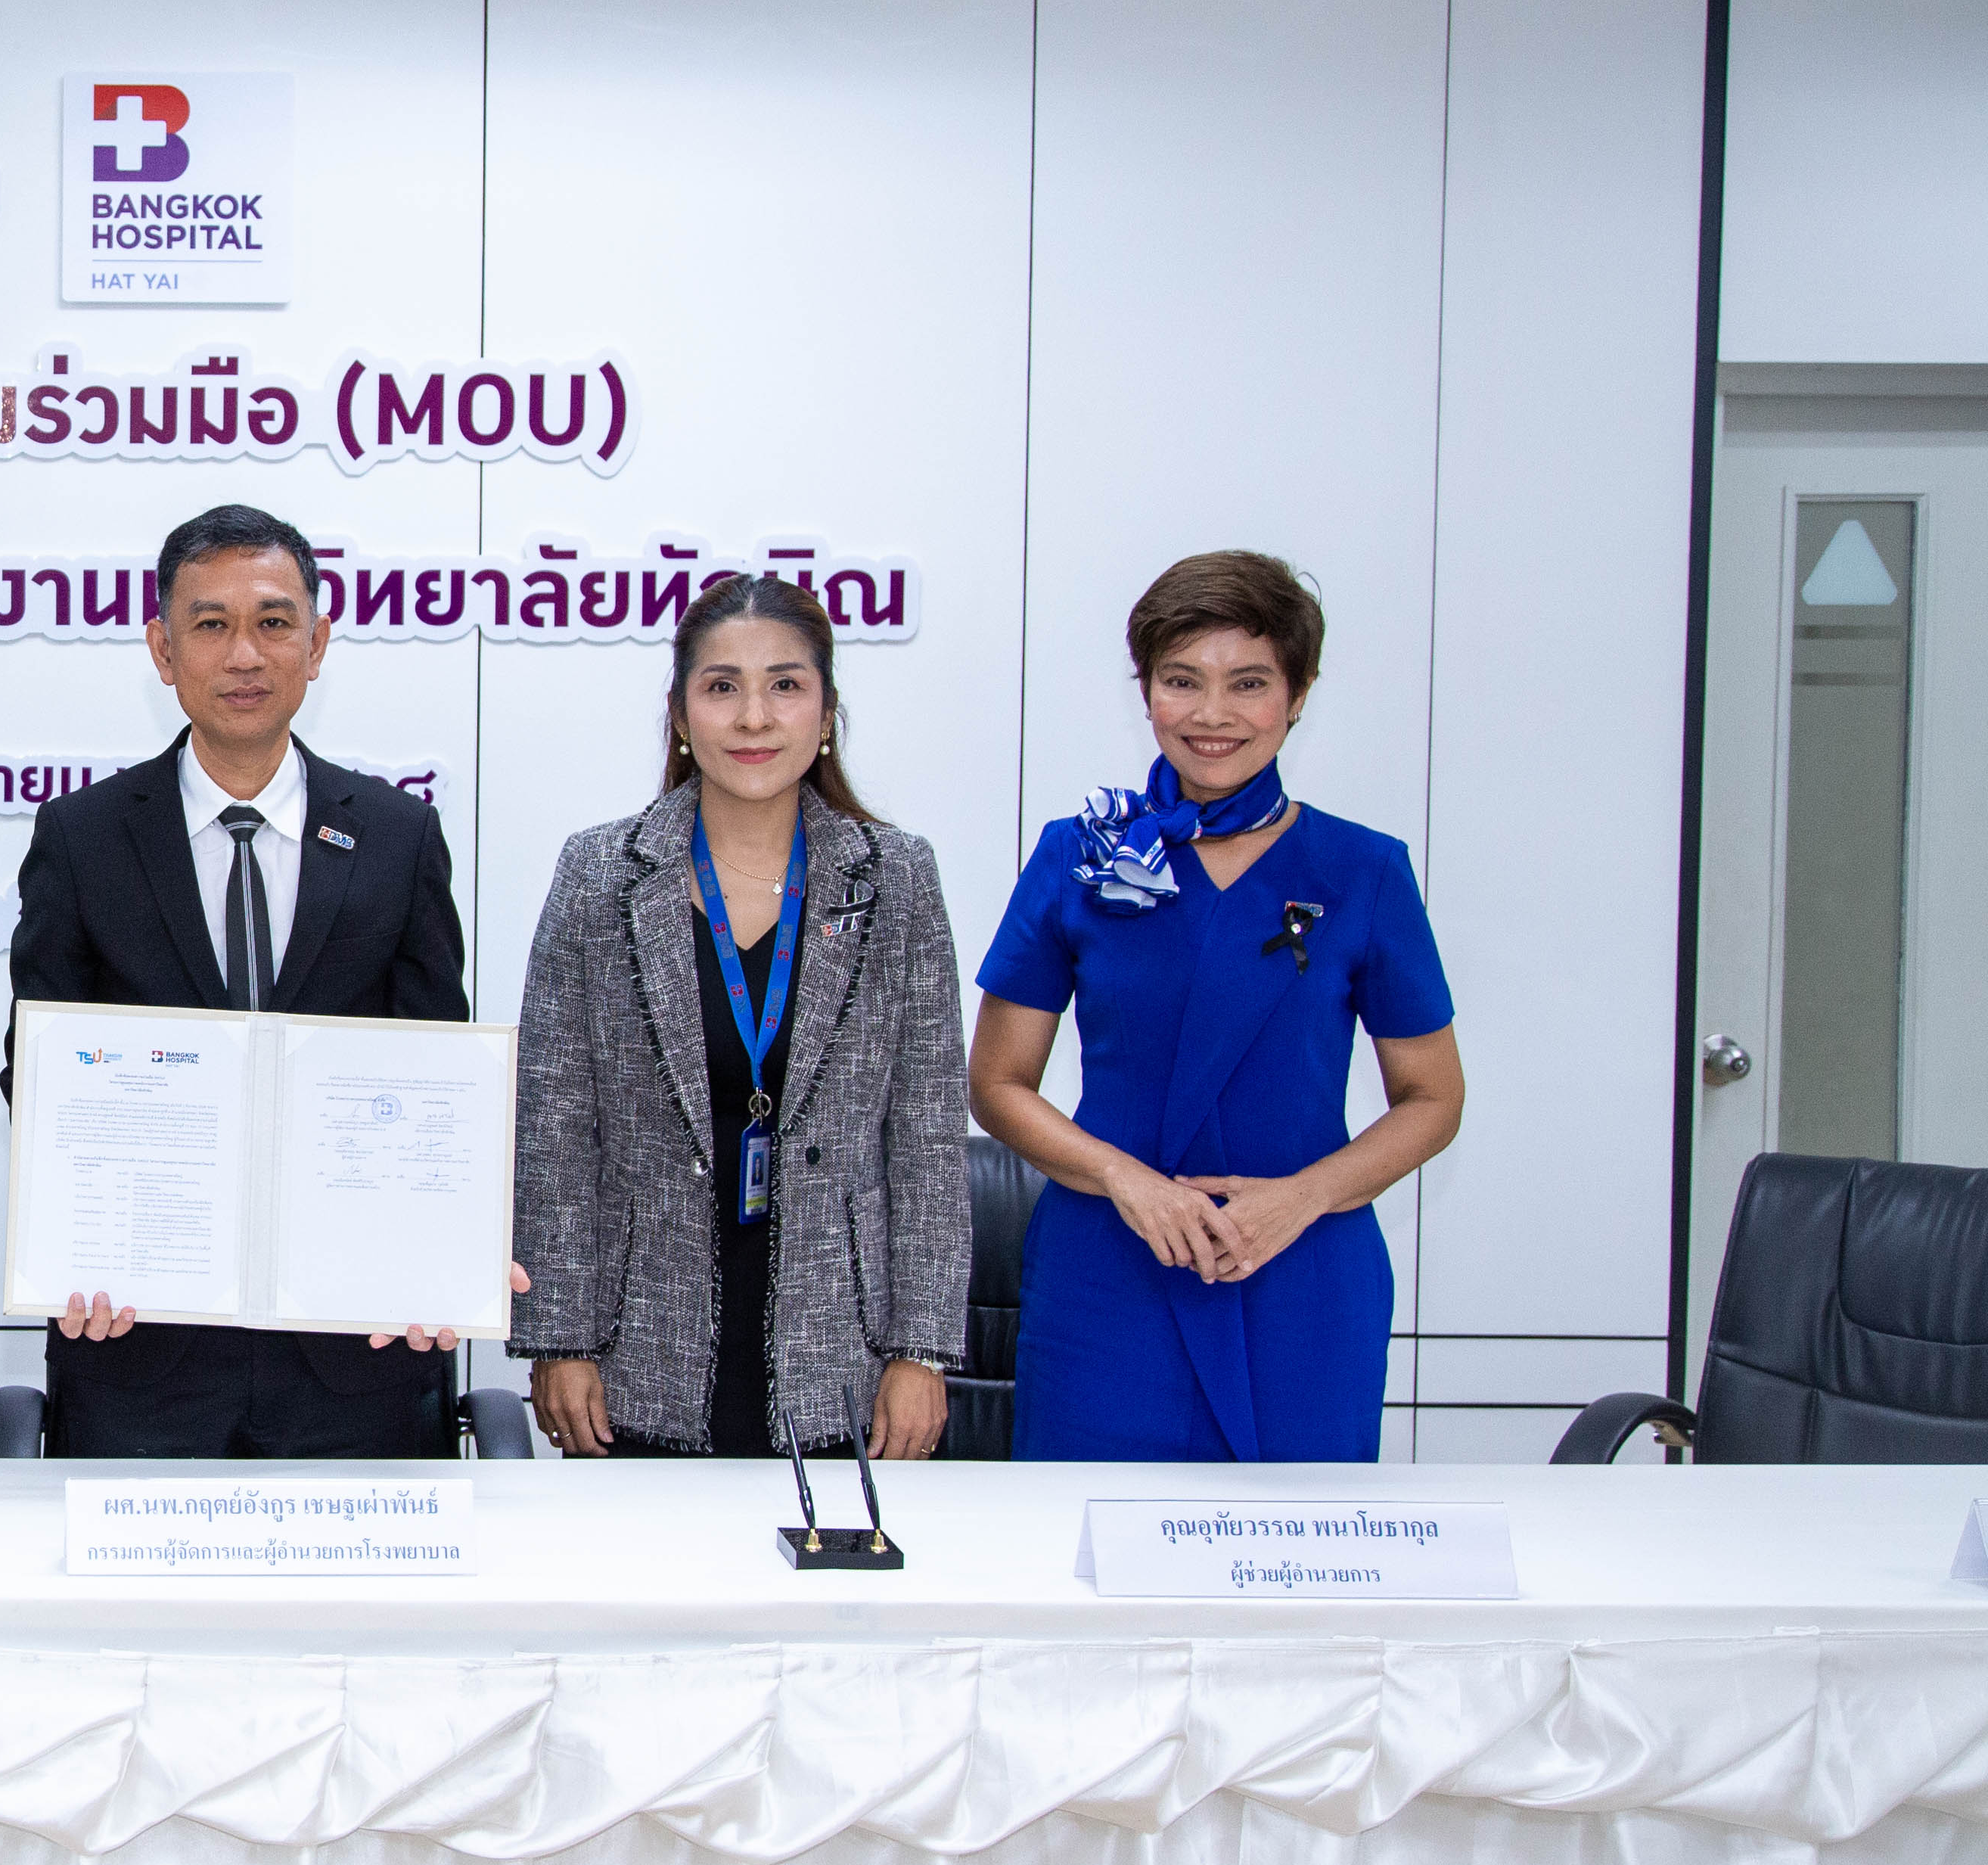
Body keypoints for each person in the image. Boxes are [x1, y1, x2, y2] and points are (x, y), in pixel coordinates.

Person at [4, 502, 483, 1459]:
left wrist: (436, 1253)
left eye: (273, 622)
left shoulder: (398, 837)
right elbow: (42, 1077)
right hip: (140, 1339)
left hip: (357, 1344)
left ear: (317, 644)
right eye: (210, 625)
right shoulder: (84, 838)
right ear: (163, 649)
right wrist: (80, 1246)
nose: (244, 655)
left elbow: (437, 1078)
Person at [968, 549, 1465, 1462]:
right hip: (1109, 1269)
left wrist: (1301, 1200)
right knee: (1083, 1532)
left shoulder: (1363, 871)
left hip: (1300, 1270)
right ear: (1147, 692)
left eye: (1249, 683)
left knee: (1300, 1544)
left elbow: (1433, 1099)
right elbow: (997, 1083)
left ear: (1298, 695)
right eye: (1182, 680)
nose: (1212, 714)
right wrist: (1126, 1181)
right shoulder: (1081, 855)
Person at [507, 575, 969, 1462]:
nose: (754, 717)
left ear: (826, 712)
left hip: (847, 1352)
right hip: (637, 1346)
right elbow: (556, 1127)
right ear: (681, 714)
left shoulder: (896, 878)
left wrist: (921, 1351)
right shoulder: (599, 873)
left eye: (785, 685)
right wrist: (559, 1339)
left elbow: (927, 1135)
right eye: (722, 687)